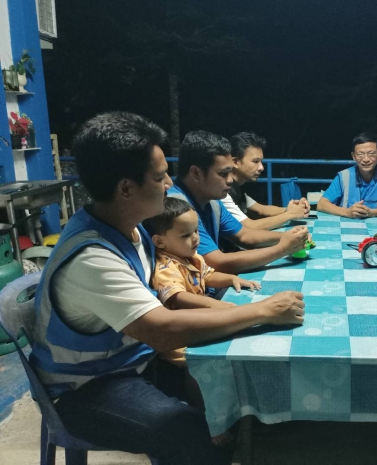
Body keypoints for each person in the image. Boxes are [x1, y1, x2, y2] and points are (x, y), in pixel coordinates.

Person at [30, 112, 305, 465]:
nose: (168, 185)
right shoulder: (92, 257)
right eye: (160, 177)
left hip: (134, 361)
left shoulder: (134, 227)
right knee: (196, 432)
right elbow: (162, 330)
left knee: (234, 388)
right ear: (126, 189)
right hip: (85, 387)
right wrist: (261, 311)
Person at [143, 196, 259, 445]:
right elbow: (178, 297)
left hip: (199, 323)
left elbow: (208, 275)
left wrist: (232, 279)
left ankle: (235, 406)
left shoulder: (191, 258)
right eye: (186, 235)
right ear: (160, 241)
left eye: (196, 231)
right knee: (197, 368)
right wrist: (217, 306)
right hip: (179, 338)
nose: (195, 238)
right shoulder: (166, 267)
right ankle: (207, 418)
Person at [168, 131, 310, 274]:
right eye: (223, 173)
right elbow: (217, 263)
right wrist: (283, 249)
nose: (230, 180)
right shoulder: (177, 207)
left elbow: (245, 235)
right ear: (196, 173)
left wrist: (289, 237)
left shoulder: (212, 200)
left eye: (230, 172)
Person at [222, 131, 310, 230]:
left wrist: (292, 209)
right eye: (255, 161)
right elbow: (250, 227)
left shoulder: (238, 188)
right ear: (235, 162)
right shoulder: (223, 192)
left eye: (261, 161)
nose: (261, 167)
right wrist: (290, 214)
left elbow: (262, 209)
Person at [317, 132, 377, 218]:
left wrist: (372, 213)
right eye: (360, 154)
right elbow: (321, 204)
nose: (366, 159)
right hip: (348, 224)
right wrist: (347, 212)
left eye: (371, 153)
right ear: (353, 156)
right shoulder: (344, 176)